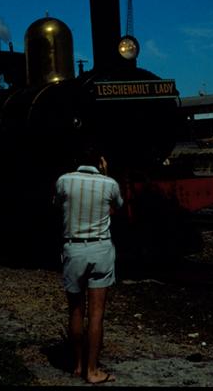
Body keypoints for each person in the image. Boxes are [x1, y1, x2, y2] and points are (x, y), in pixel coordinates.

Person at [54, 146, 123, 385]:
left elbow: (58, 206)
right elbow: (116, 209)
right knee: (96, 314)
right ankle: (93, 370)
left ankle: (78, 364)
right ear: (100, 162)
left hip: (73, 249)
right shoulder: (110, 183)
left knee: (75, 310)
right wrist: (107, 173)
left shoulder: (63, 181)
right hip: (100, 249)